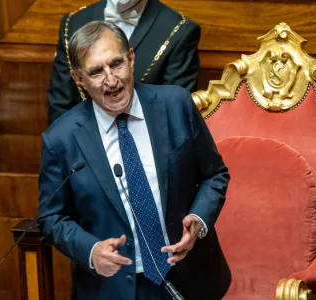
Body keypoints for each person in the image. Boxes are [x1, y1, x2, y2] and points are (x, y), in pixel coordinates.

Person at [37, 21, 230, 300]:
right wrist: (90, 250)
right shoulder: (61, 139)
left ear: (131, 58)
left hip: (190, 276)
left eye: (116, 64)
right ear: (78, 79)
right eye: (95, 72)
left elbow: (216, 175)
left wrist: (199, 219)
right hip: (113, 287)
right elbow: (51, 216)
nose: (111, 80)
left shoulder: (176, 105)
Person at [47, 0, 201, 125]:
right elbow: (60, 104)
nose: (112, 81)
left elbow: (174, 113)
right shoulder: (73, 22)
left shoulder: (179, 30)